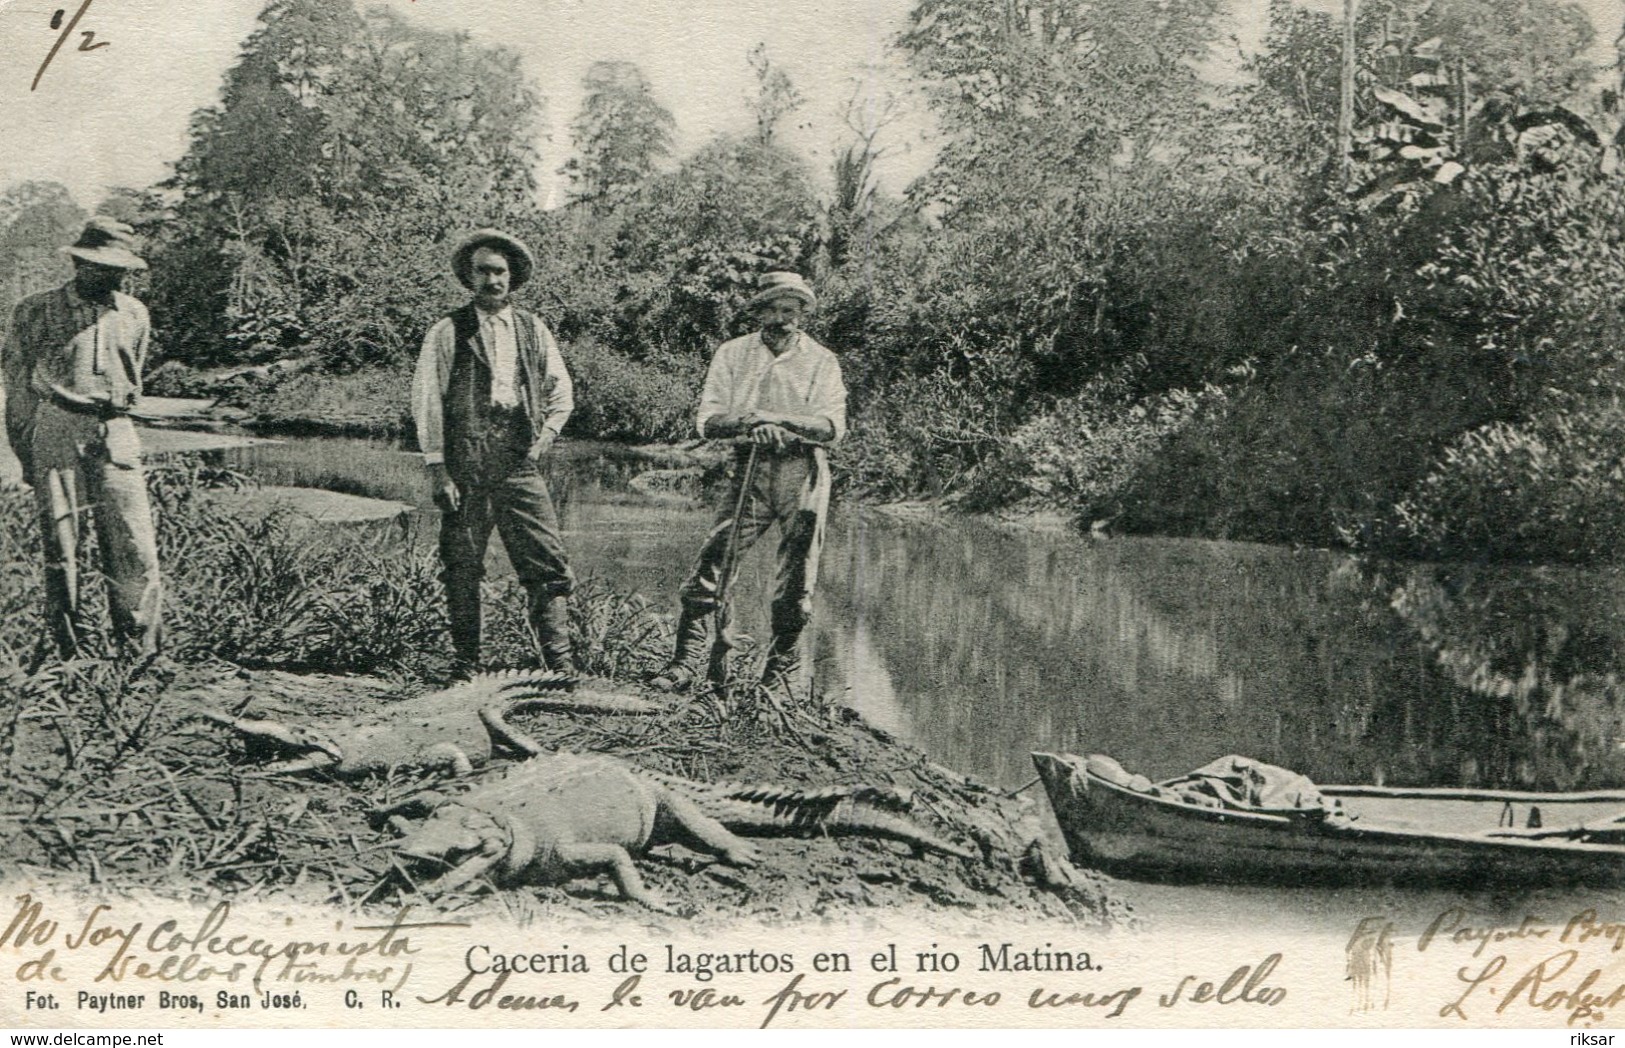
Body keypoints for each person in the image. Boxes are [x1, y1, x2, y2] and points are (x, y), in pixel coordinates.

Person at [651, 271, 847, 694]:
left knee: (797, 576)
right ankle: (686, 662)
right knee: (715, 559)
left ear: (803, 315)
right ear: (757, 312)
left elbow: (831, 427)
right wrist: (751, 422)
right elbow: (708, 420)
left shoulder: (821, 360)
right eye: (771, 310)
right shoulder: (733, 354)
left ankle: (775, 676)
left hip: (803, 470)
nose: (780, 319)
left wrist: (778, 421)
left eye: (789, 311)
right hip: (749, 467)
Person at [411, 228, 578, 674]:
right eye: (482, 271)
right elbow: (427, 399)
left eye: (499, 272)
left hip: (517, 457)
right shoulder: (448, 331)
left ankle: (558, 667)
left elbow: (560, 387)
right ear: (469, 277)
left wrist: (546, 437)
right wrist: (438, 469)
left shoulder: (532, 328)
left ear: (513, 277)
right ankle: (466, 665)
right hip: (466, 460)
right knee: (462, 563)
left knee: (546, 559)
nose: (492, 280)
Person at [3, 217, 164, 662]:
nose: (108, 275)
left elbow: (134, 371)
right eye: (97, 265)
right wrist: (26, 454)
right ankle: (68, 653)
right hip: (57, 425)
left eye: (117, 268)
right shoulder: (36, 310)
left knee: (135, 543)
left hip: (116, 429)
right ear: (78, 262)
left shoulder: (134, 313)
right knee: (62, 544)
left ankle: (140, 653)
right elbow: (17, 388)